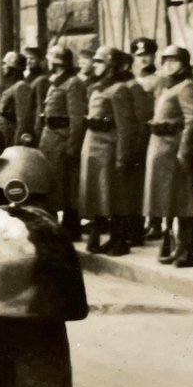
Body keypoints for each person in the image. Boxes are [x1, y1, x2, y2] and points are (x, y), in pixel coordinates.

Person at [143, 45, 193, 267]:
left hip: (175, 149)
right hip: (163, 149)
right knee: (172, 201)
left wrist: (185, 152)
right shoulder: (169, 86)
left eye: (174, 61)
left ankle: (189, 250)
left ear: (184, 65)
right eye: (166, 61)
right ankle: (178, 246)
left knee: (186, 203)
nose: (169, 65)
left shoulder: (187, 87)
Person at [79, 47, 139, 256]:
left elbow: (125, 127)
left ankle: (119, 239)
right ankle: (103, 235)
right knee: (97, 194)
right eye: (95, 61)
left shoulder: (119, 89)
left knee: (114, 197)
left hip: (108, 146)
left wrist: (123, 156)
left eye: (100, 62)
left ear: (111, 66)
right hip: (92, 145)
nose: (95, 65)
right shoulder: (96, 88)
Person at [36, 43, 87, 241]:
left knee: (67, 187)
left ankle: (70, 228)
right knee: (53, 185)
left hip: (62, 140)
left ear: (57, 61)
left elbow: (76, 118)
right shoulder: (56, 82)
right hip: (50, 139)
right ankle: (54, 228)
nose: (48, 61)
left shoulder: (73, 83)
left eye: (50, 57)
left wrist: (72, 146)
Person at [129, 36, 162, 242]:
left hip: (149, 132)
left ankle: (155, 222)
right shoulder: (132, 81)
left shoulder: (159, 80)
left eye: (147, 55)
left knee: (152, 177)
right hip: (133, 133)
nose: (143, 59)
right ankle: (138, 221)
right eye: (139, 55)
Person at [0, 51, 36, 147]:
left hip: (12, 138)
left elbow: (23, 120)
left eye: (5, 64)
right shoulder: (12, 86)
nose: (3, 67)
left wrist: (18, 144)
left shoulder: (21, 87)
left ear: (13, 68)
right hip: (5, 136)